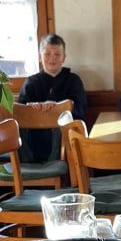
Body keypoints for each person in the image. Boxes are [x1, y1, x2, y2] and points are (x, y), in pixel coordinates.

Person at [17, 34, 87, 162]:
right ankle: (29, 169)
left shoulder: (73, 81)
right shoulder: (31, 82)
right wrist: (33, 108)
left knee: (63, 126)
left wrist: (56, 108)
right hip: (35, 140)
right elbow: (19, 114)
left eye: (57, 54)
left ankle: (57, 166)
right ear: (40, 57)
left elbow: (80, 110)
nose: (52, 58)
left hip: (64, 142)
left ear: (64, 58)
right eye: (47, 54)